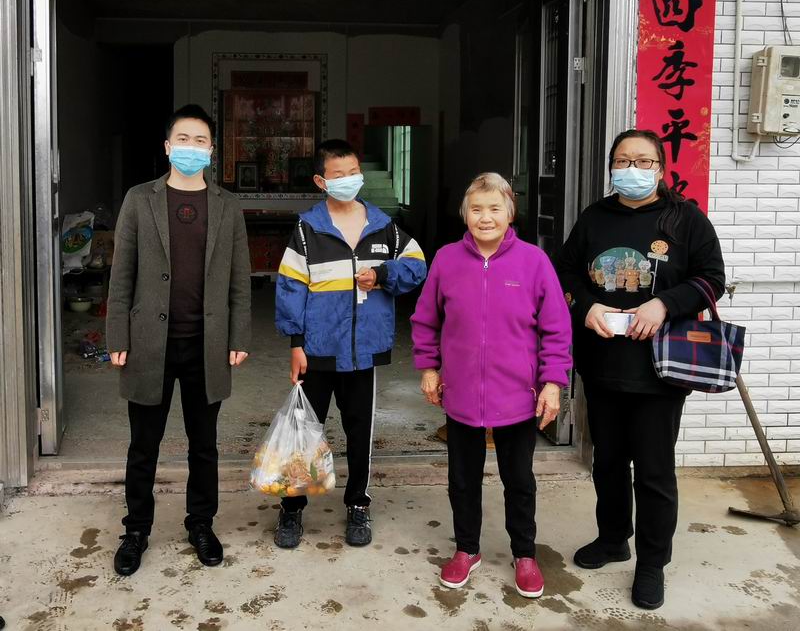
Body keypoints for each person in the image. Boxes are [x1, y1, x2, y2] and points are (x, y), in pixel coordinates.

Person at [555, 129, 725, 610]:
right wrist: (585, 305)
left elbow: (712, 279)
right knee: (607, 462)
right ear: (611, 167)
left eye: (643, 161)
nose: (633, 169)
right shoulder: (595, 217)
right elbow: (565, 271)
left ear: (661, 168)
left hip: (659, 370)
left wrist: (664, 304)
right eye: (623, 160)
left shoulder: (685, 219)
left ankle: (652, 563)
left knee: (653, 471)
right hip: (602, 362)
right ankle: (613, 539)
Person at [410, 172, 572, 599]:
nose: (485, 217)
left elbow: (556, 329)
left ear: (510, 213)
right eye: (477, 209)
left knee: (518, 480)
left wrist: (552, 382)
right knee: (462, 479)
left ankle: (525, 554)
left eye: (494, 208)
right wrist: (429, 368)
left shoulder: (534, 261)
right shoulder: (446, 259)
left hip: (518, 395)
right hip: (462, 393)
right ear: (465, 214)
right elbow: (426, 320)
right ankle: (467, 549)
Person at [107, 104, 251, 576]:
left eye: (200, 140)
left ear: (212, 150)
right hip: (150, 342)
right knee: (143, 445)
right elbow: (122, 273)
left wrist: (238, 334)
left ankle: (201, 524)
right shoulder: (139, 199)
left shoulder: (227, 205)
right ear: (168, 147)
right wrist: (118, 334)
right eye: (183, 139)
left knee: (204, 444)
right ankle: (136, 530)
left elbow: (240, 278)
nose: (192, 147)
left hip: (206, 344)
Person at [274, 139, 427, 549]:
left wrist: (383, 275)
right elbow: (290, 287)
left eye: (354, 172)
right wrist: (296, 343)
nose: (349, 180)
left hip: (363, 351)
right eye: (338, 175)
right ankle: (292, 508)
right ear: (321, 181)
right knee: (304, 432)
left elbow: (417, 266)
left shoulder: (383, 226)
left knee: (360, 432)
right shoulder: (307, 229)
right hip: (318, 349)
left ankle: (358, 503)